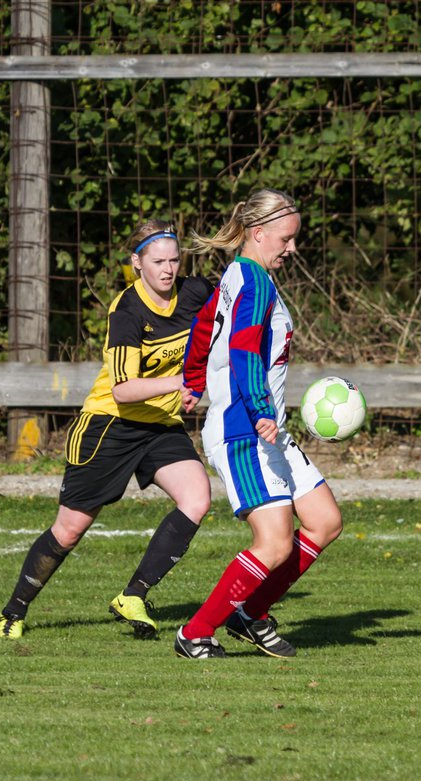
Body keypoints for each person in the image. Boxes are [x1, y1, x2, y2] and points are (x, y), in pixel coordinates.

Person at [0, 220, 214, 640]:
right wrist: (181, 382)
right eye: (158, 261)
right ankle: (13, 610)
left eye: (174, 260)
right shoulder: (127, 311)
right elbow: (125, 389)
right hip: (109, 425)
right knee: (70, 529)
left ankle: (133, 594)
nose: (168, 269)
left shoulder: (195, 293)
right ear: (137, 263)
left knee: (197, 497)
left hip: (160, 426)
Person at [175, 189, 342, 659]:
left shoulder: (240, 275)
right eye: (287, 239)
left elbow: (205, 324)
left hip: (264, 426)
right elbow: (245, 348)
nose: (293, 249)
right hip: (244, 428)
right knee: (273, 543)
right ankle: (195, 633)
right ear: (258, 232)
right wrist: (260, 409)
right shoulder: (254, 282)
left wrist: (192, 379)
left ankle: (250, 613)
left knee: (325, 521)